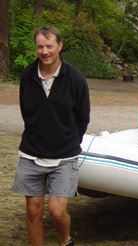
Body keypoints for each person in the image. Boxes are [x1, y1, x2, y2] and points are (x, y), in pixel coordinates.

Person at [12, 26, 90, 246]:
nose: (44, 51)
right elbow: (27, 111)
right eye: (40, 46)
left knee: (56, 212)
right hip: (31, 154)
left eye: (49, 46)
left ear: (59, 46)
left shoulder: (75, 78)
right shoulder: (27, 76)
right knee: (33, 210)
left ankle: (65, 240)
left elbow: (83, 118)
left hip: (64, 157)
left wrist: (68, 141)